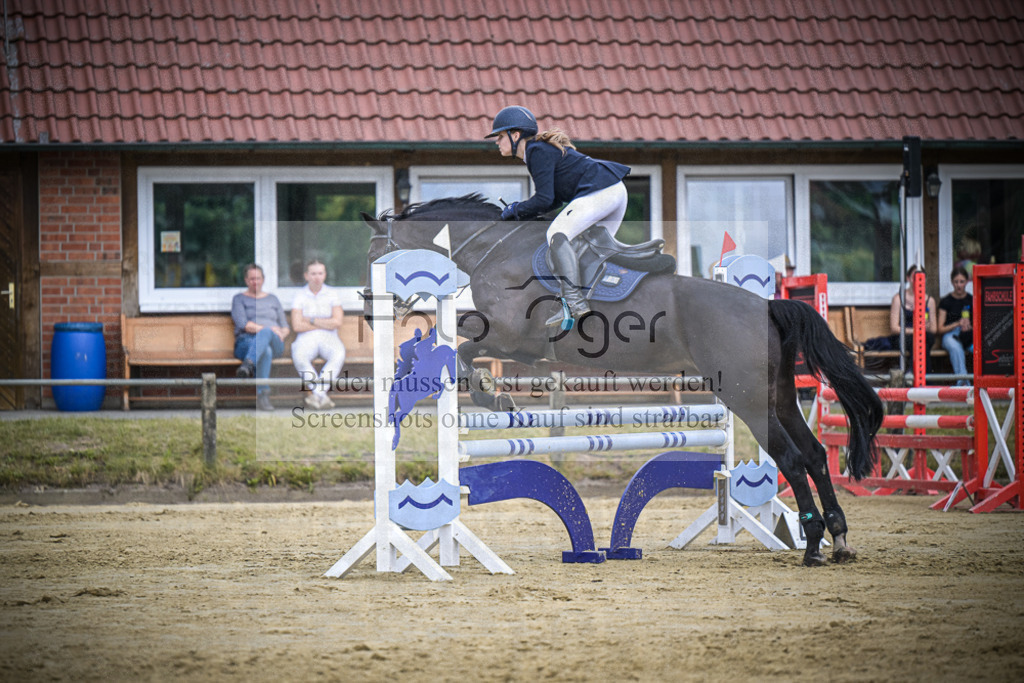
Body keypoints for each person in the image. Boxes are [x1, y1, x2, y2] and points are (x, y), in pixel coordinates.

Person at [486, 105, 631, 327]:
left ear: (515, 136)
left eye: (500, 136)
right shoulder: (538, 151)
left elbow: (544, 200)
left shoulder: (536, 151)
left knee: (556, 233)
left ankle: (573, 303)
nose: (497, 142)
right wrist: (521, 211)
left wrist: (515, 210)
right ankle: (596, 302)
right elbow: (553, 200)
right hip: (613, 191)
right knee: (591, 249)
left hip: (602, 191)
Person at [232, 264, 289, 411]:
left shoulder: (273, 299)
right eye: (251, 279)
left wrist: (279, 333)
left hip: (275, 342)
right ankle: (263, 396)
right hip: (246, 343)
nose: (255, 282)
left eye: (258, 278)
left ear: (263, 279)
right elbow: (243, 324)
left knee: (267, 338)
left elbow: (285, 327)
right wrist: (267, 329)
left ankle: (248, 365)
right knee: (265, 351)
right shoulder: (239, 299)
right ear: (246, 280)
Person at [290, 259, 345, 410]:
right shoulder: (300, 295)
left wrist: (311, 319)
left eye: (320, 273)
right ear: (306, 275)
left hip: (329, 336)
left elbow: (337, 322)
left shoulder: (332, 294)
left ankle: (317, 395)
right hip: (306, 337)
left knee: (338, 354)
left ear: (325, 275)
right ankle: (322, 395)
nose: (317, 277)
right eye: (313, 274)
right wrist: (325, 322)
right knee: (299, 356)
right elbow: (297, 325)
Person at [886, 266, 938, 373]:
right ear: (908, 278)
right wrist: (915, 331)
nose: (917, 281)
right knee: (919, 342)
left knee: (924, 340)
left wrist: (927, 325)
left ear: (925, 279)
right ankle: (925, 376)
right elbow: (894, 328)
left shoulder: (929, 301)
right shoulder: (898, 298)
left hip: (924, 335)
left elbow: (934, 329)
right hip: (904, 336)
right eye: (915, 277)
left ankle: (913, 373)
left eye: (921, 278)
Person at [938, 266, 973, 384]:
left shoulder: (972, 300)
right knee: (955, 348)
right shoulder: (946, 301)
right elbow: (940, 329)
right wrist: (957, 323)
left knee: (981, 347)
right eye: (956, 282)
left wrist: (969, 326)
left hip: (968, 335)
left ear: (967, 282)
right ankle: (963, 383)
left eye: (962, 282)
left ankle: (987, 383)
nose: (959, 285)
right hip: (950, 335)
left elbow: (979, 324)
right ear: (952, 282)